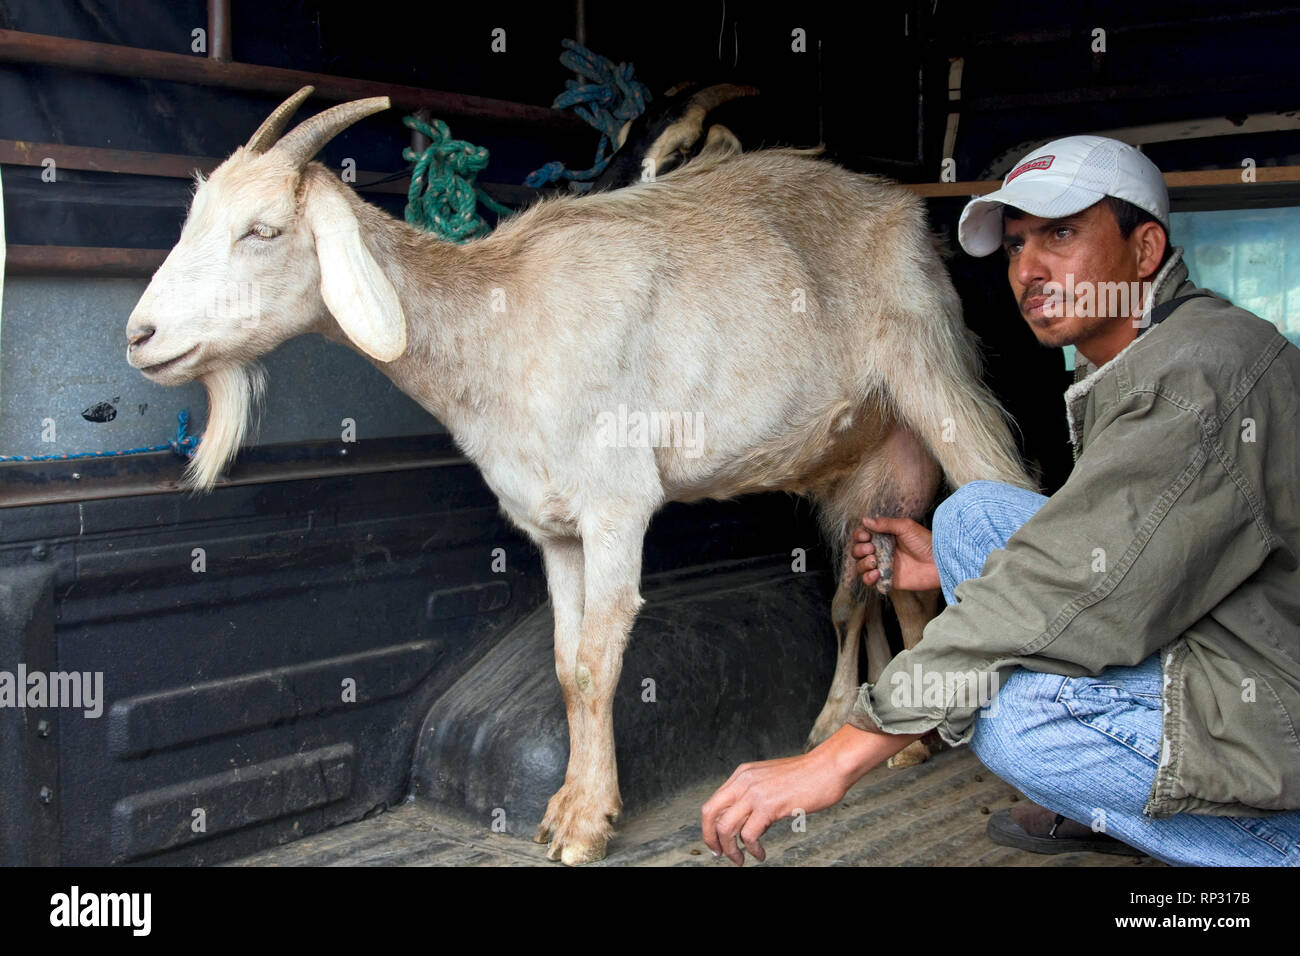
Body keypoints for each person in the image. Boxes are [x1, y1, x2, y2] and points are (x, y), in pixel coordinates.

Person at [701, 135, 1300, 867]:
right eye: (1016, 246)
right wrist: (943, 572)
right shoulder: (1164, 348)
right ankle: (1119, 802)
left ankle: (1270, 848)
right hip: (1244, 640)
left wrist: (838, 757)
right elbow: (1118, 550)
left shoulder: (1197, 377)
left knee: (1016, 725)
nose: (1029, 270)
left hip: (1272, 696)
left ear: (1145, 251)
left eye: (1062, 234)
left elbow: (1069, 587)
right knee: (970, 516)